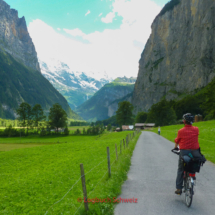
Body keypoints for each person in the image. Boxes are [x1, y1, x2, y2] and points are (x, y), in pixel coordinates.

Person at [174, 113, 200, 195]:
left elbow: (177, 141)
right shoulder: (196, 129)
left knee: (180, 169)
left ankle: (178, 188)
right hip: (195, 152)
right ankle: (192, 176)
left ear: (184, 121)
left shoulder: (181, 131)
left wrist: (175, 147)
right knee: (193, 164)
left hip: (184, 151)